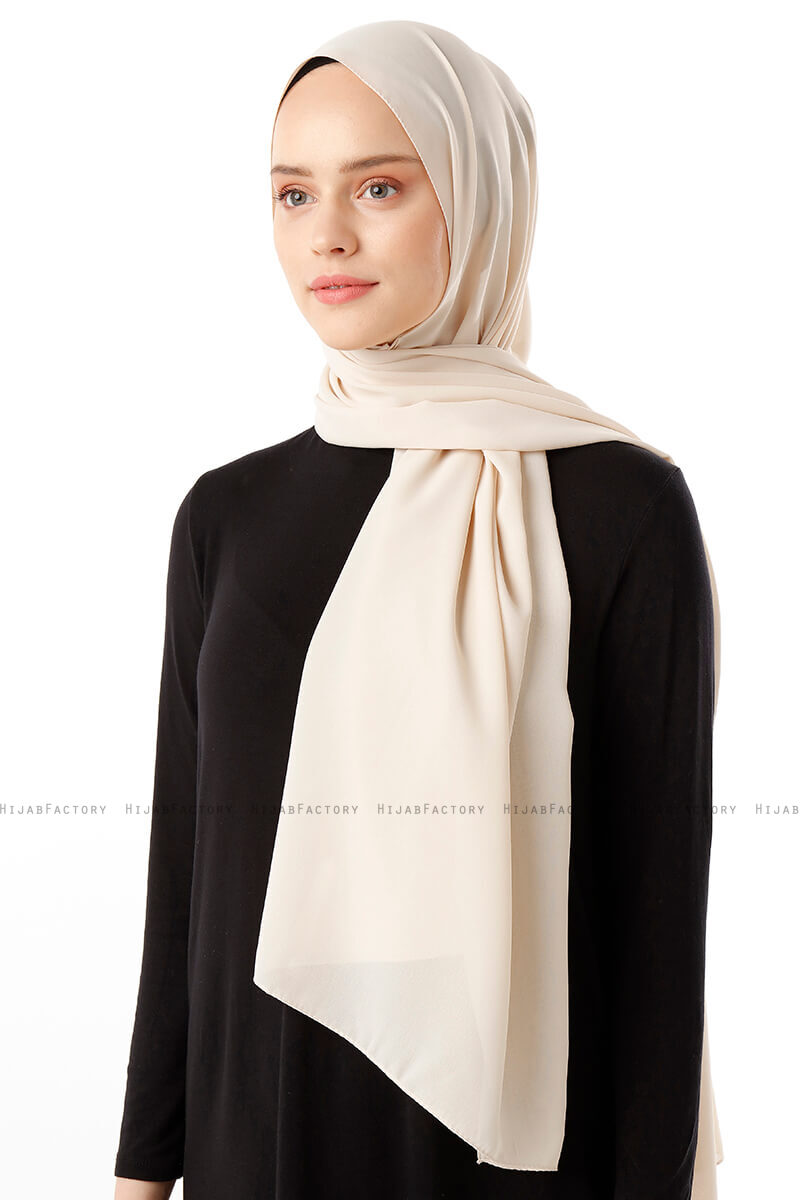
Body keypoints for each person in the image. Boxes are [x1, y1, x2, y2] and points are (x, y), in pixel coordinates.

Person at [113, 21, 724, 1200]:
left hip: (498, 1157)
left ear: (481, 198)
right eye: (292, 194)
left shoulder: (619, 505)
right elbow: (186, 873)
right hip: (251, 1135)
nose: (325, 236)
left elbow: (655, 922)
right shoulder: (224, 515)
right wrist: (142, 1171)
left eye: (379, 187)